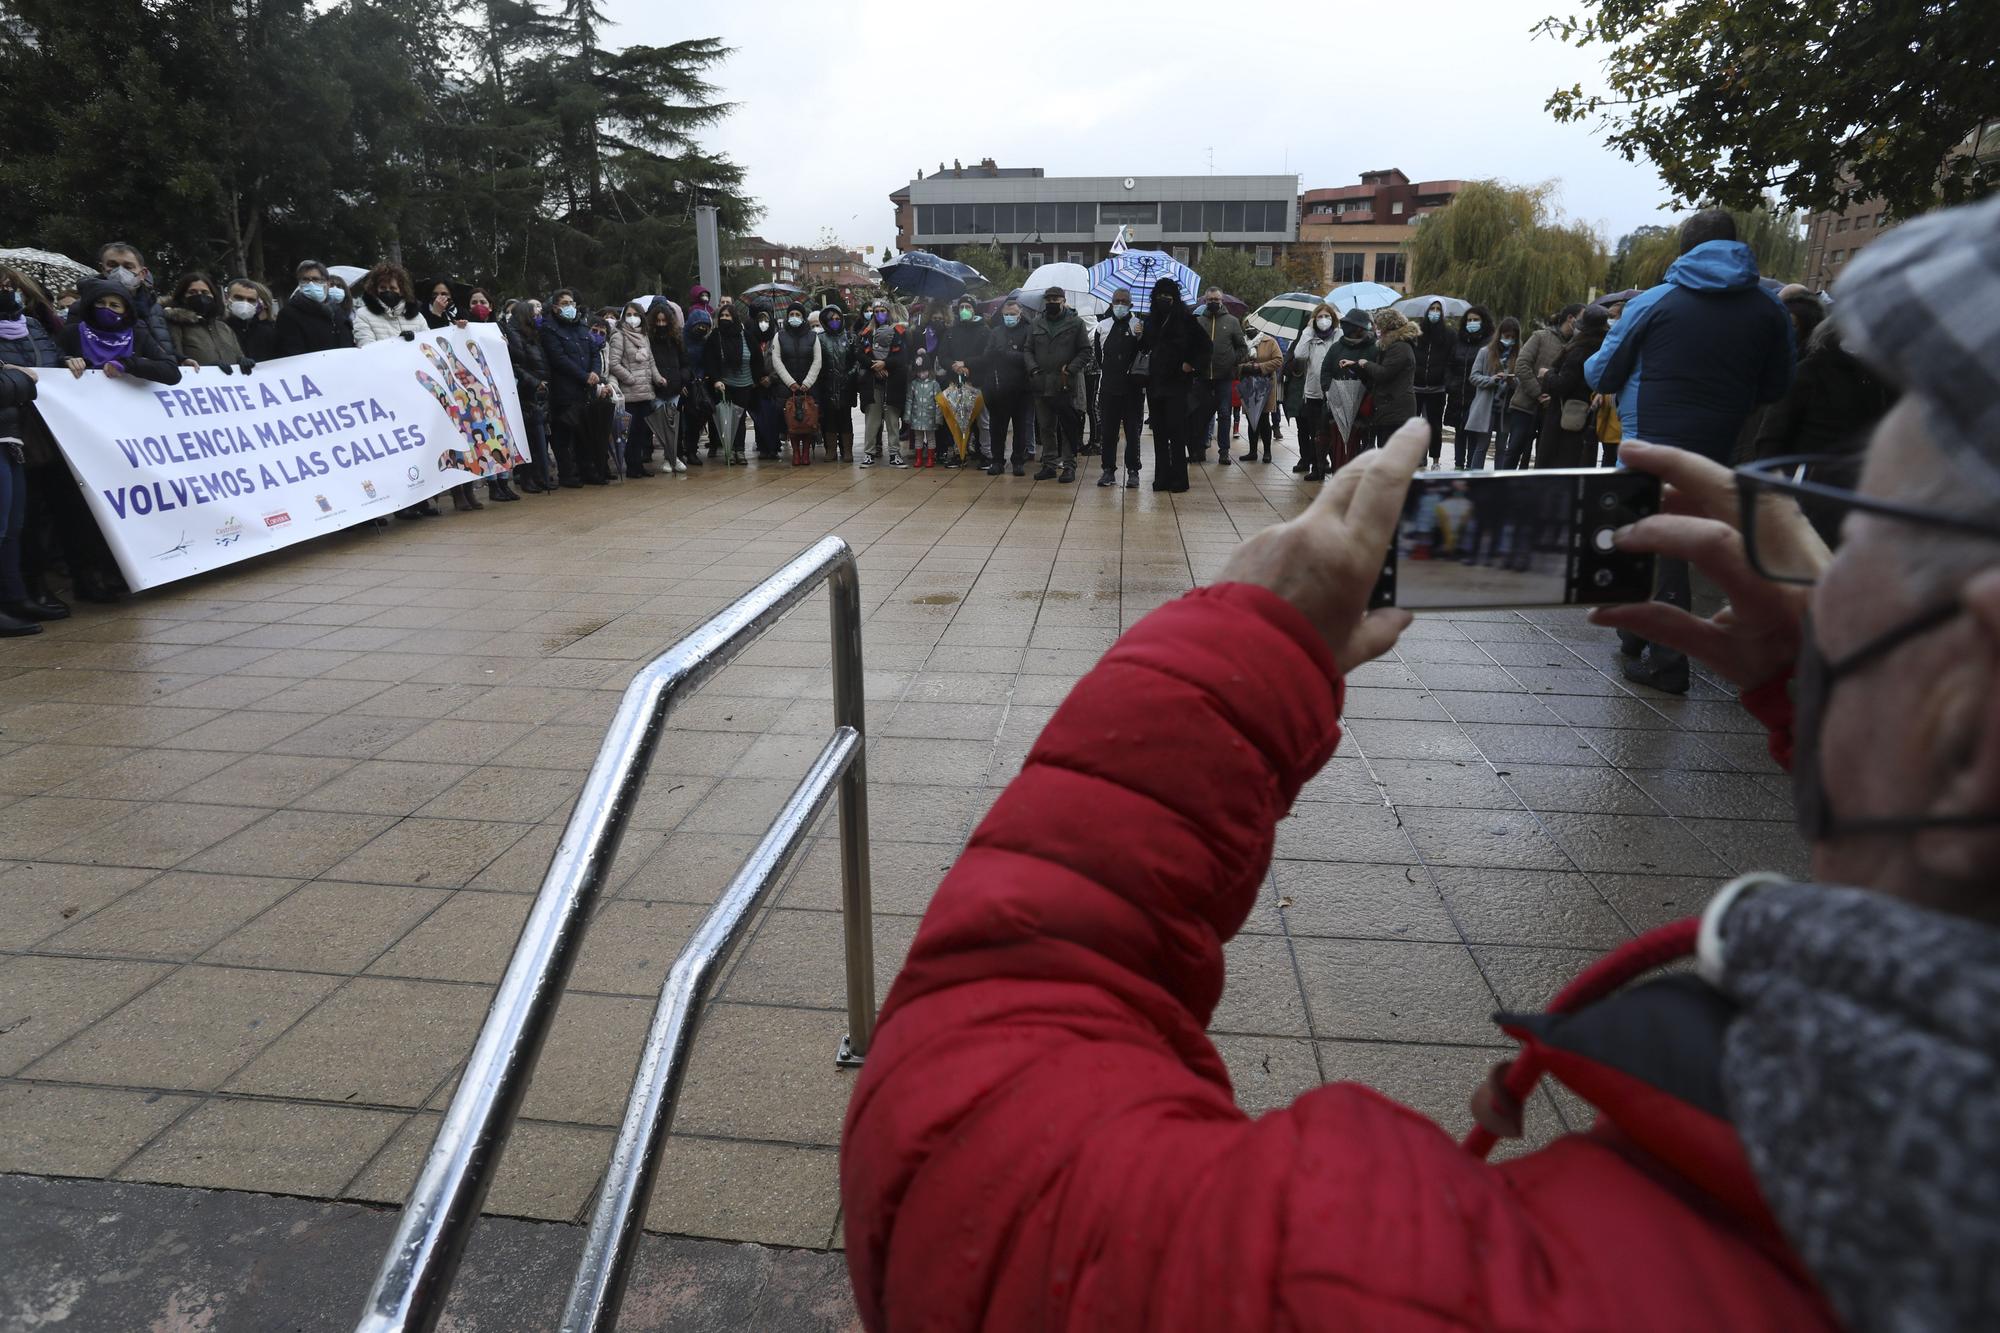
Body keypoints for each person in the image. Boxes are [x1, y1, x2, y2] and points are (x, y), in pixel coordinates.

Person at [843, 197, 2000, 1333]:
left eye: (1851, 523)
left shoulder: (1443, 1287)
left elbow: (969, 1163)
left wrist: (1239, 645)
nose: (1805, 556)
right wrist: (1863, 719)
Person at [1587, 208, 1795, 694]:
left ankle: (1666, 657)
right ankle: (1643, 632)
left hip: (1655, 442)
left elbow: (1602, 375)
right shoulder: (1770, 309)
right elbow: (1778, 384)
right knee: (1685, 544)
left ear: (1684, 249)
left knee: (1658, 541)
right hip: (1724, 444)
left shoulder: (1656, 302)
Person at [1753, 319, 1898, 544]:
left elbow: (1772, 434)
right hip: (1824, 485)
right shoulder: (1815, 372)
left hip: (1831, 484)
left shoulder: (1883, 377)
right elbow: (1774, 434)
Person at [1134, 277, 1209, 494]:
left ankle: (1179, 479)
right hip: (1155, 384)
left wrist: (1191, 364)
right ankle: (1162, 477)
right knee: (1159, 433)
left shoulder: (1187, 320)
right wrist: (1140, 335)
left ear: (1175, 298)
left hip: (1177, 385)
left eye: (1167, 296)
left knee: (1176, 433)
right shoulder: (1151, 321)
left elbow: (1205, 347)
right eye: (1159, 296)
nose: (1163, 300)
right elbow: (1145, 348)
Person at [60, 277, 183, 386]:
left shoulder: (139, 335)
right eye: (100, 303)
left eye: (114, 305)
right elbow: (52, 363)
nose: (106, 308)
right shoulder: (71, 332)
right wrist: (67, 362)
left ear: (125, 311)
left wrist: (128, 364)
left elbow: (172, 373)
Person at [1501, 303, 1582, 469]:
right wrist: (1538, 394)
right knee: (1515, 449)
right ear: (1570, 318)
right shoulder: (1540, 336)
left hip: (1552, 410)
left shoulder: (1576, 346)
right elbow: (1521, 365)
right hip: (1525, 406)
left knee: (1544, 455)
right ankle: (1503, 487)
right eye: (1581, 318)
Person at [1026, 285, 1088, 483]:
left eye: (1056, 299)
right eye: (1049, 299)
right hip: (1041, 383)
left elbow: (1085, 351)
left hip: (1065, 384)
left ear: (1063, 300)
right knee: (1045, 426)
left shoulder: (1076, 323)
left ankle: (1069, 465)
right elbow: (1028, 349)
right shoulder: (1036, 323)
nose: (1052, 302)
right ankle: (1049, 464)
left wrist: (1071, 368)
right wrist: (1033, 369)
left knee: (1067, 426)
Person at [1535, 305, 1610, 470]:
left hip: (1564, 419)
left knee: (1556, 467)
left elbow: (1563, 385)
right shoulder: (1605, 350)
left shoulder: (1579, 351)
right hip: (1588, 417)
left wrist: (1547, 374)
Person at [541, 287, 602, 487]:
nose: (570, 307)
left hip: (585, 390)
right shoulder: (549, 329)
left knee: (585, 434)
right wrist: (584, 376)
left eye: (572, 303)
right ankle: (567, 474)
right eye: (565, 303)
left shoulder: (582, 327)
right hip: (565, 391)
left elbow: (594, 352)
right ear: (556, 307)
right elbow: (559, 359)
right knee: (563, 435)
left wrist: (595, 373)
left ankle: (587, 470)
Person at [1092, 288, 1144, 488]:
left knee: (1133, 432)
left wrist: (1141, 338)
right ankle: (1108, 470)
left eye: (1124, 301)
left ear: (1130, 304)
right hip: (1109, 388)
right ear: (1112, 303)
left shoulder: (1138, 325)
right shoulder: (1102, 326)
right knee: (1108, 431)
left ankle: (1133, 471)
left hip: (1133, 390)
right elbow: (1098, 356)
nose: (1120, 304)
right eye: (1116, 301)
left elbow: (1144, 354)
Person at [1191, 289, 1248, 466]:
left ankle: (1224, 451)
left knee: (1224, 414)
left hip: (1224, 377)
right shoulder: (1198, 322)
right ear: (1205, 301)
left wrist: (1232, 361)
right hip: (1202, 377)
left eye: (1216, 299)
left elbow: (1242, 348)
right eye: (1210, 299)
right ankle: (1199, 449)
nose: (1213, 302)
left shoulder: (1232, 322)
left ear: (1221, 300)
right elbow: (1190, 346)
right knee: (1200, 415)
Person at [607, 299, 662, 477]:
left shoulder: (644, 336)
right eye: (629, 315)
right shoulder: (619, 335)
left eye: (636, 315)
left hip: (645, 392)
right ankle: (631, 466)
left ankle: (638, 465)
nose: (632, 319)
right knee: (629, 433)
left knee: (641, 432)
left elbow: (651, 360)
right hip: (630, 393)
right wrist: (630, 379)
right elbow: (614, 363)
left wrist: (658, 378)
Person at [1286, 303, 1341, 480]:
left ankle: (1334, 466)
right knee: (1315, 432)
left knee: (1332, 431)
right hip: (1312, 392)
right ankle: (1317, 468)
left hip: (1333, 392)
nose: (1324, 320)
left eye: (1327, 317)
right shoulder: (1310, 336)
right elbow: (1300, 355)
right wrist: (1308, 331)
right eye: (1319, 317)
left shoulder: (1338, 335)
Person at [703, 301, 761, 465]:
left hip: (744, 384)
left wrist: (756, 380)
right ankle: (729, 449)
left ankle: (740, 451)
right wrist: (716, 380)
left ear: (734, 317)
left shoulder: (745, 336)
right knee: (727, 419)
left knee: (740, 418)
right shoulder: (715, 337)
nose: (725, 318)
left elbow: (757, 358)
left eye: (728, 315)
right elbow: (710, 361)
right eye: (722, 316)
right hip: (724, 384)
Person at [1351, 308, 1417, 448]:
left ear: (1389, 327)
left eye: (1380, 326)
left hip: (1395, 410)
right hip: (1390, 408)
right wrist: (1356, 365)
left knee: (1390, 452)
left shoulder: (1399, 347)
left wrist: (1366, 364)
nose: (1377, 330)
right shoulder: (1393, 346)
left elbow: (1384, 373)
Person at [982, 298, 1033, 477]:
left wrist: (1007, 353)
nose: (1009, 317)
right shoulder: (996, 331)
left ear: (1020, 314)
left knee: (1020, 427)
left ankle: (1018, 460)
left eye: (1012, 314)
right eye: (1006, 315)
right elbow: (988, 355)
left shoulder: (1028, 330)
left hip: (1022, 388)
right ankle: (997, 461)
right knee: (997, 427)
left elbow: (1028, 356)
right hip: (1000, 387)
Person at [504, 298, 552, 492]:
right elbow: (516, 364)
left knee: (538, 437)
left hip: (539, 390)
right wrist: (534, 382)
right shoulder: (514, 335)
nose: (538, 317)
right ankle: (527, 477)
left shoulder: (534, 334)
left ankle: (540, 476)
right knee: (528, 438)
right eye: (534, 314)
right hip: (526, 392)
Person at [853, 298, 907, 468]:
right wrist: (874, 366)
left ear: (889, 312)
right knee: (872, 419)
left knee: (892, 419)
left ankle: (894, 453)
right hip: (872, 382)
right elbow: (860, 354)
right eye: (876, 312)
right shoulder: (866, 332)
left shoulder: (898, 331)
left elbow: (903, 356)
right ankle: (868, 453)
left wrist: (886, 363)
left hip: (892, 382)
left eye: (882, 311)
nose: (879, 314)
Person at [162, 272, 253, 372]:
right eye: (192, 292)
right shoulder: (175, 325)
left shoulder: (224, 327)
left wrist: (243, 360)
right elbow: (175, 360)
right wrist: (207, 368)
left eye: (205, 293)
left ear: (213, 296)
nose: (200, 296)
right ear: (182, 296)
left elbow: (238, 355)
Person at [95, 242, 174, 356]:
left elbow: (163, 344)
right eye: (112, 265)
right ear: (102, 269)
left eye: (128, 267)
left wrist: (179, 358)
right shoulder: (84, 306)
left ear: (142, 274)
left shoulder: (154, 308)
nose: (120, 272)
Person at [772, 300, 825, 467]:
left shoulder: (813, 336)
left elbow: (817, 360)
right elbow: (777, 360)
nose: (794, 317)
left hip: (808, 386)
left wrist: (807, 382)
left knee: (808, 419)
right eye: (791, 315)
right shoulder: (779, 336)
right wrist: (790, 383)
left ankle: (806, 452)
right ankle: (795, 452)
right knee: (792, 420)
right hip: (788, 387)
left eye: (798, 315)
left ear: (803, 318)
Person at [936, 295, 987, 469]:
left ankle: (986, 454)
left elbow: (987, 356)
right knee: (958, 421)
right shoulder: (951, 331)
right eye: (962, 307)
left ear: (974, 309)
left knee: (982, 422)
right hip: (955, 382)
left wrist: (967, 364)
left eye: (968, 307)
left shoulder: (984, 330)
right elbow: (942, 356)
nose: (965, 310)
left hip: (977, 382)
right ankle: (960, 453)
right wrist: (954, 366)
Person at [1462, 315, 1519, 471]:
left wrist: (1512, 381)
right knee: (1482, 446)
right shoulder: (1485, 352)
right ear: (1500, 334)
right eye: (1507, 336)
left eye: (1513, 337)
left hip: (1505, 409)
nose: (1510, 340)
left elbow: (1521, 382)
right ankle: (1476, 477)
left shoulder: (1517, 355)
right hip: (1486, 406)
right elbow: (1474, 377)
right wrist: (1491, 379)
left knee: (1502, 447)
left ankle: (1499, 479)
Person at [1444, 304, 1492, 468]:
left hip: (1477, 394)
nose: (1472, 322)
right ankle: (1458, 464)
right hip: (1457, 393)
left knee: (1473, 432)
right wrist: (1449, 384)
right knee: (1459, 431)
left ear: (1483, 321)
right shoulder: (1459, 341)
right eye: (1469, 320)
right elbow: (1449, 364)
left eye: (1476, 320)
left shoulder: (1488, 343)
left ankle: (1472, 466)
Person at [645, 299, 688, 474]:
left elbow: (685, 363)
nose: (661, 324)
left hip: (675, 388)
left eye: (664, 321)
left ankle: (673, 457)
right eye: (658, 321)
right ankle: (669, 458)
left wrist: (682, 380)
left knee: (674, 425)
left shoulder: (677, 339)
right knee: (662, 426)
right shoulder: (648, 340)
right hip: (657, 389)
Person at [1411, 298, 1455, 463]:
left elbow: (1452, 359)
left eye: (1438, 309)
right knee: (1414, 425)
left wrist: (1446, 378)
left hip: (1437, 388)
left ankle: (1435, 459)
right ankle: (1416, 457)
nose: (1434, 312)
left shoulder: (1449, 334)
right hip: (1416, 386)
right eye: (1432, 308)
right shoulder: (1417, 332)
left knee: (1435, 426)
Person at [272, 259, 341, 358]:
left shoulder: (337, 312)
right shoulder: (288, 314)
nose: (311, 284)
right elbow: (291, 352)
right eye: (305, 280)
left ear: (327, 283)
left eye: (316, 279)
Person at [816, 301, 857, 464]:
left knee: (845, 418)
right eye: (831, 319)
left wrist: (849, 375)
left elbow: (856, 360)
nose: (835, 321)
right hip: (827, 385)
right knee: (829, 419)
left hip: (845, 385)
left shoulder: (850, 337)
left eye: (837, 318)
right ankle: (831, 450)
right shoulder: (820, 339)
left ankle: (847, 450)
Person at [1236, 321, 1281, 465]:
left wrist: (1259, 367)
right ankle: (1252, 451)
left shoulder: (1270, 341)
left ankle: (1267, 452)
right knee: (1251, 419)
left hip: (1266, 384)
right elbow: (1234, 361)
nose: (1250, 329)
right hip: (1248, 384)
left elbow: (1278, 360)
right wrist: (1245, 367)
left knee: (1263, 419)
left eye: (1253, 326)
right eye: (1247, 326)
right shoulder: (1241, 343)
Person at [223, 278, 279, 363]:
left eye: (251, 300)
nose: (245, 303)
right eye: (239, 298)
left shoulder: (268, 332)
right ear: (227, 298)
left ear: (257, 303)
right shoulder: (219, 331)